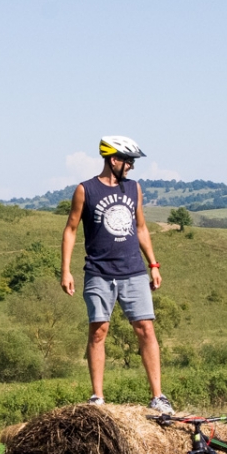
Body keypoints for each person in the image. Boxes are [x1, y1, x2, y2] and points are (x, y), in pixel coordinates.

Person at [60, 136, 173, 413]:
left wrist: (153, 264)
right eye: (128, 161)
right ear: (114, 160)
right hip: (98, 272)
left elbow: (142, 228)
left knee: (145, 329)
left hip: (133, 271)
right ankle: (97, 397)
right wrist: (66, 270)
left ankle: (158, 397)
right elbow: (71, 229)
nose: (131, 167)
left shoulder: (134, 188)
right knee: (99, 331)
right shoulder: (85, 190)